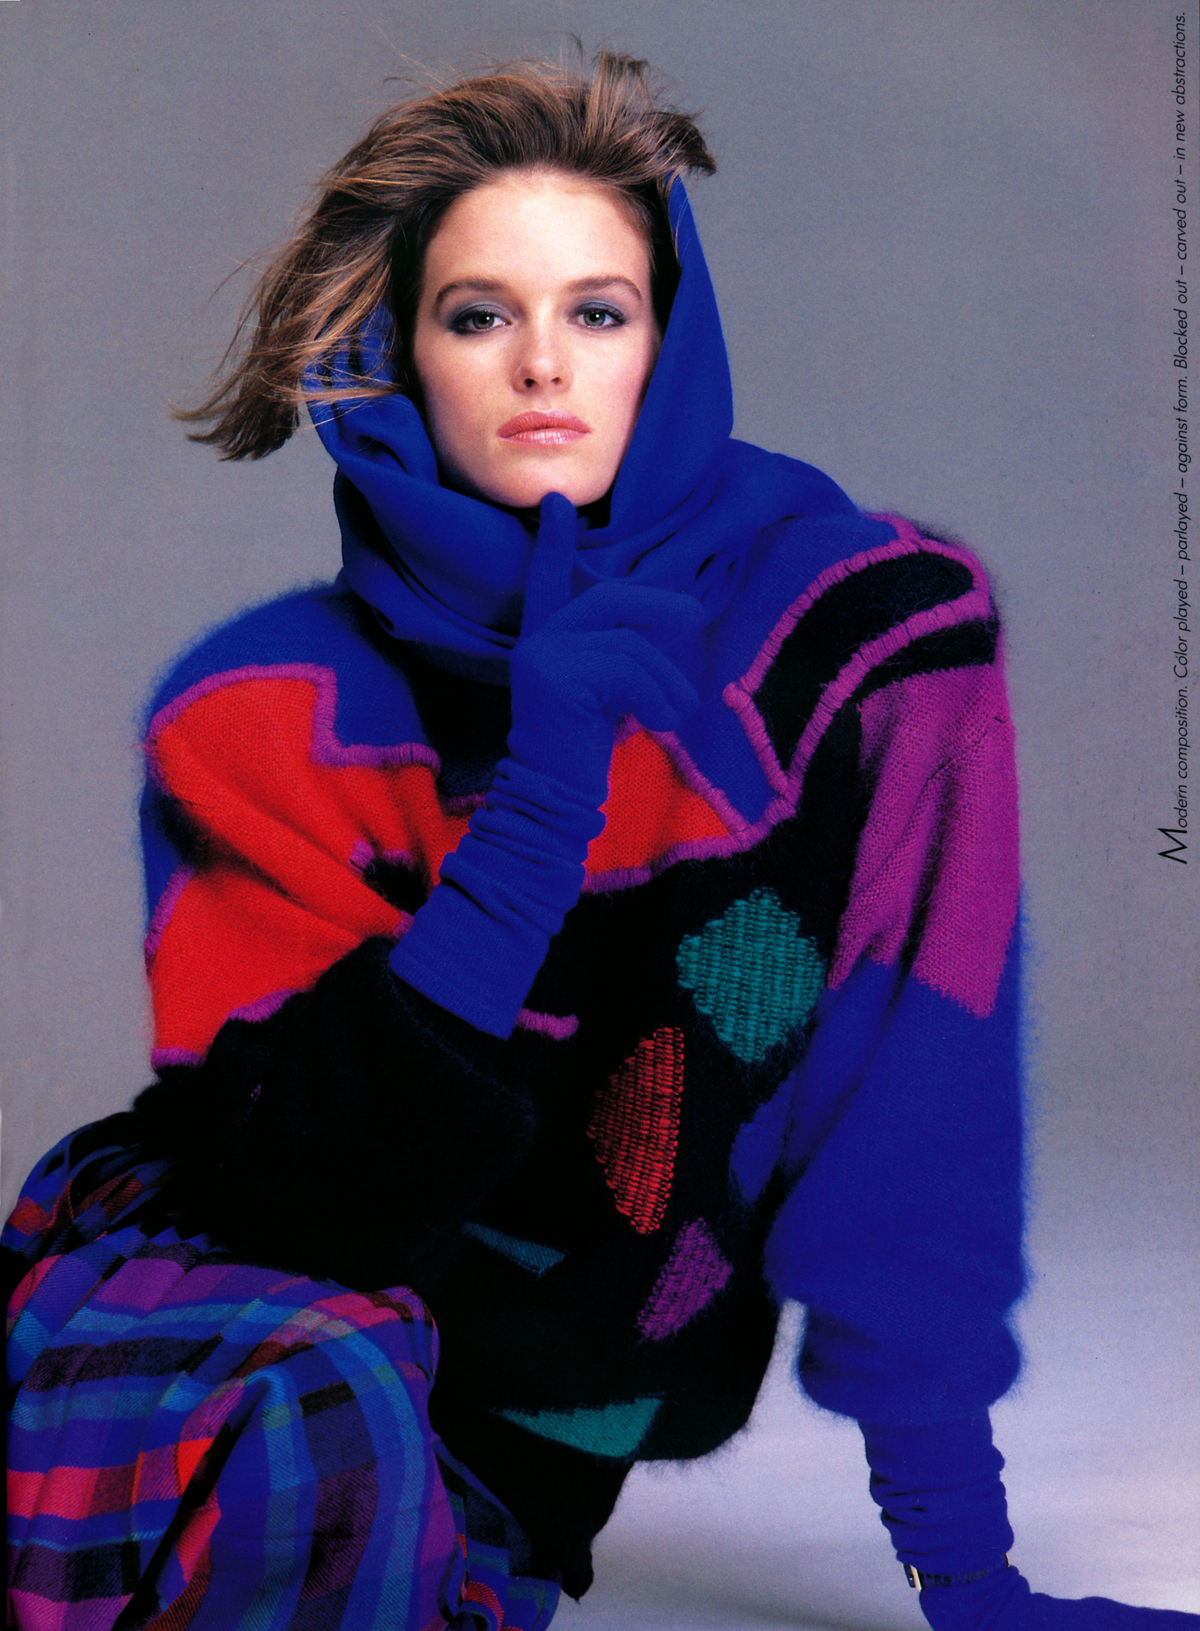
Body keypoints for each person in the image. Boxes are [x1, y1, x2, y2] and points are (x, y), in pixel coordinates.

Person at [4, 51, 1194, 1631]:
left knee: (359, 1491)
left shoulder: (859, 651)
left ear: (669, 344)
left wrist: (967, 1572)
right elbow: (303, 1209)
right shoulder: (253, 713)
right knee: (317, 1399)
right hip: (232, 1310)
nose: (542, 366)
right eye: (477, 315)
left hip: (514, 1423)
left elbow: (920, 1107)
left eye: (600, 311)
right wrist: (539, 806)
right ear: (398, 352)